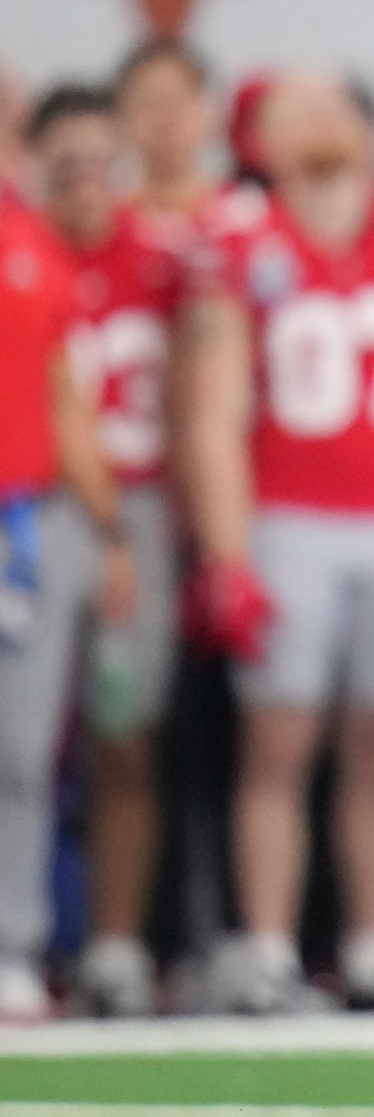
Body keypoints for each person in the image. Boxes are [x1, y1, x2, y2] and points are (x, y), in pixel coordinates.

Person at [183, 69, 374, 1012]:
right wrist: (230, 558)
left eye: (335, 103)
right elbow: (214, 412)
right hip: (291, 517)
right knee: (279, 744)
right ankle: (267, 944)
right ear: (258, 140)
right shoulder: (240, 236)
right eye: (293, 109)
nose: (320, 122)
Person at [30, 87, 189, 1017]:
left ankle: (117, 942)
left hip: (141, 510)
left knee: (126, 736)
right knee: (25, 743)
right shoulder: (21, 252)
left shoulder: (168, 256)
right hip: (35, 503)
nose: (86, 186)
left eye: (102, 164)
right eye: (66, 167)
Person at [0, 95, 138, 1021]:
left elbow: (60, 396)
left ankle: (11, 942)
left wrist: (110, 531)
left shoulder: (29, 244)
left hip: (26, 518)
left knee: (20, 747)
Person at [114, 40, 221, 226]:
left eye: (178, 102)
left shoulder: (248, 216)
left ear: (208, 113)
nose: (166, 119)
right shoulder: (106, 224)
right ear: (122, 117)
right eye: (150, 104)